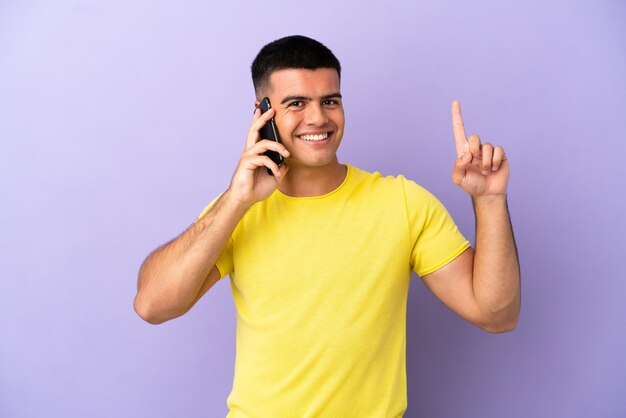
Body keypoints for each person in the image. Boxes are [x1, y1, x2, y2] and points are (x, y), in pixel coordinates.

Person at [133, 35, 520, 417]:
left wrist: (489, 201)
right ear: (262, 113)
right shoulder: (238, 211)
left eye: (330, 101)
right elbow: (153, 305)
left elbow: (497, 315)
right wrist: (235, 200)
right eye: (296, 103)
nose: (318, 118)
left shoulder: (402, 203)